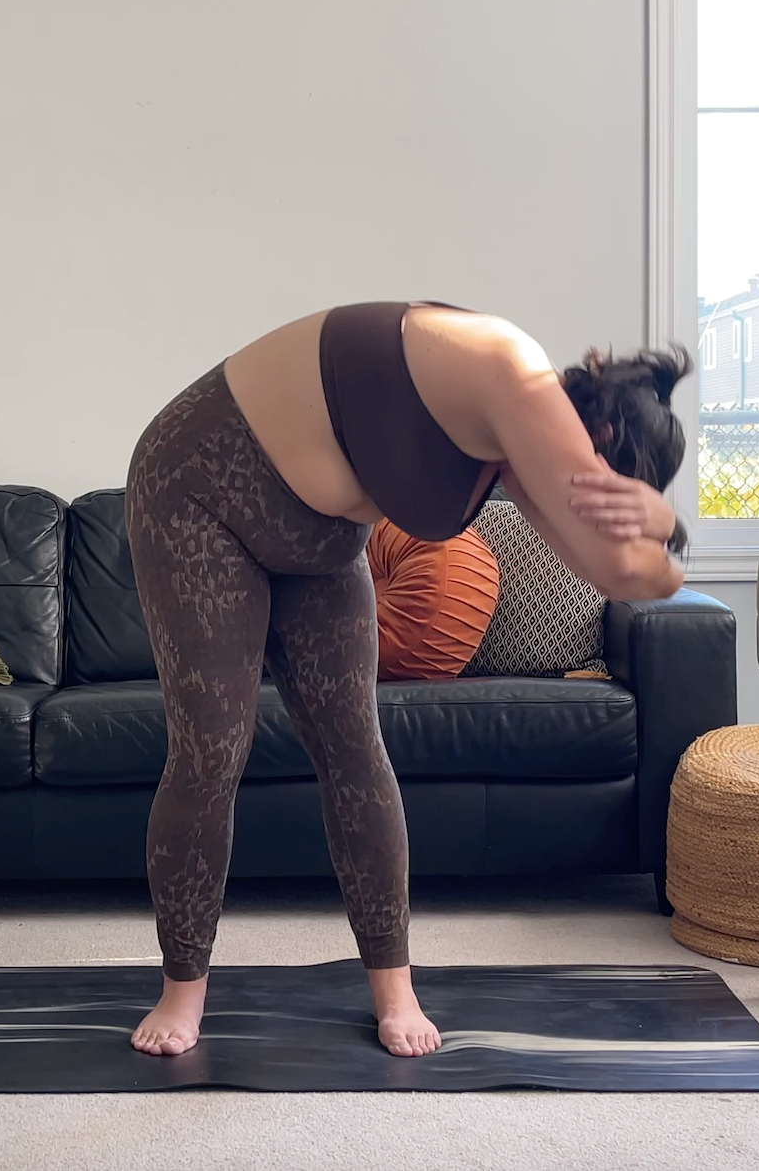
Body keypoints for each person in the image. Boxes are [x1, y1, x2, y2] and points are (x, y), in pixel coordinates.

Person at [125, 301, 692, 1058]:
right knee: (210, 754)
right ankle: (181, 991)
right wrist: (648, 527)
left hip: (322, 541)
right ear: (604, 441)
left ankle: (395, 987)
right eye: (614, 491)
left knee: (358, 752)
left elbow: (621, 577)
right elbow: (624, 559)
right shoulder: (509, 371)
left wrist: (663, 525)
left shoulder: (514, 458)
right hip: (198, 497)